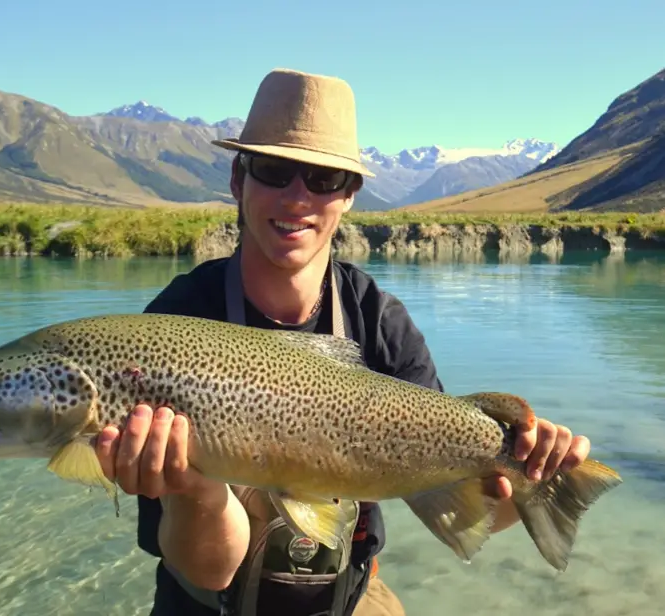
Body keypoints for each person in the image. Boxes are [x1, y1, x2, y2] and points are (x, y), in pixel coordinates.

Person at [93, 68, 592, 615]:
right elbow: (210, 569)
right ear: (239, 180)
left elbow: (478, 515)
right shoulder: (174, 324)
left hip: (349, 599)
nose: (297, 198)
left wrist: (536, 474)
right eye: (275, 170)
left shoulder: (377, 319)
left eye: (323, 179)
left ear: (350, 194)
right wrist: (196, 489)